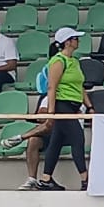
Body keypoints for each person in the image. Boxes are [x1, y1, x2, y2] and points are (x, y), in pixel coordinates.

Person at [37, 26, 92, 191]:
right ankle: (85, 179)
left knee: (57, 141)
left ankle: (46, 178)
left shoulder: (74, 61)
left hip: (73, 105)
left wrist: (89, 106)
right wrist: (51, 113)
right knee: (77, 139)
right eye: (75, 38)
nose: (78, 41)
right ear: (67, 42)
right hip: (62, 104)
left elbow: (80, 87)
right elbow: (52, 87)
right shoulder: (58, 60)